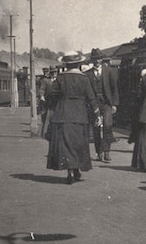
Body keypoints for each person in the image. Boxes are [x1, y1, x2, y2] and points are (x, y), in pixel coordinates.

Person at [46, 51, 101, 184]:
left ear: (66, 64)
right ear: (79, 63)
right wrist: (97, 113)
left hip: (62, 114)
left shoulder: (60, 78)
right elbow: (91, 97)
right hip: (80, 115)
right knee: (79, 144)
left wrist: (54, 105)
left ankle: (70, 171)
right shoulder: (84, 78)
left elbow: (52, 95)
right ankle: (76, 169)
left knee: (65, 144)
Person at [89, 48, 120, 162]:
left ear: (102, 60)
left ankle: (107, 152)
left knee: (108, 126)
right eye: (95, 59)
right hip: (94, 104)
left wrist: (115, 104)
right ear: (92, 60)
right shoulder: (88, 74)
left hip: (106, 103)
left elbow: (114, 88)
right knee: (96, 128)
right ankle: (99, 152)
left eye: (99, 59)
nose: (97, 61)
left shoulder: (109, 71)